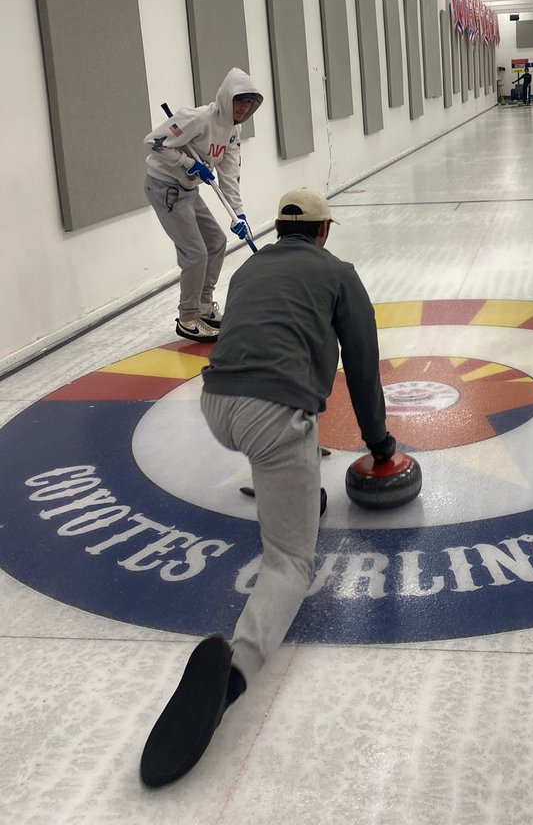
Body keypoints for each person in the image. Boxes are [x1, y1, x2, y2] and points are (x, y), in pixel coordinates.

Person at [139, 187, 395, 788]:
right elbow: (360, 365)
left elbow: (256, 338)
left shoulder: (251, 266)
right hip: (273, 418)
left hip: (216, 405)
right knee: (289, 563)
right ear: (325, 231)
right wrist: (381, 445)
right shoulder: (338, 272)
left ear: (281, 229)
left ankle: (292, 489)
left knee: (288, 449)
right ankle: (232, 678)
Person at [144, 68, 262, 342]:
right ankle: (187, 318)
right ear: (226, 98)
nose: (243, 108)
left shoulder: (233, 129)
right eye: (238, 101)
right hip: (165, 187)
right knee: (195, 254)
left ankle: (204, 306)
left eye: (248, 103)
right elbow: (153, 142)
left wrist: (239, 215)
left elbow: (229, 173)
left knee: (216, 242)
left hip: (187, 190)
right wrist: (189, 163)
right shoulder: (195, 119)